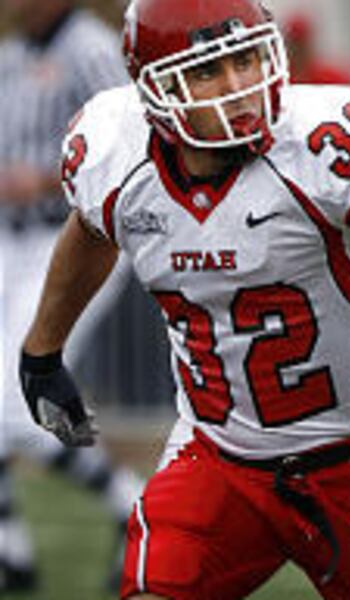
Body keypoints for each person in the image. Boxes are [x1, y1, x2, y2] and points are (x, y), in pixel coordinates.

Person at [17, 0, 350, 598]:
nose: (239, 87)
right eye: (207, 72)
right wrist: (42, 351)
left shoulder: (316, 149)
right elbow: (91, 229)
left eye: (246, 59)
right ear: (155, 89)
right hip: (216, 459)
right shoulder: (116, 158)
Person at [0, 0, 144, 591]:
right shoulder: (12, 55)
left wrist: (45, 175)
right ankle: (11, 549)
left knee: (15, 401)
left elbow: (131, 147)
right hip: (10, 242)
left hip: (73, 240)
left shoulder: (91, 49)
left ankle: (132, 502)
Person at [282, 11, 350, 85]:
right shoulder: (280, 78)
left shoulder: (331, 77)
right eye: (294, 44)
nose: (297, 50)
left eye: (301, 44)